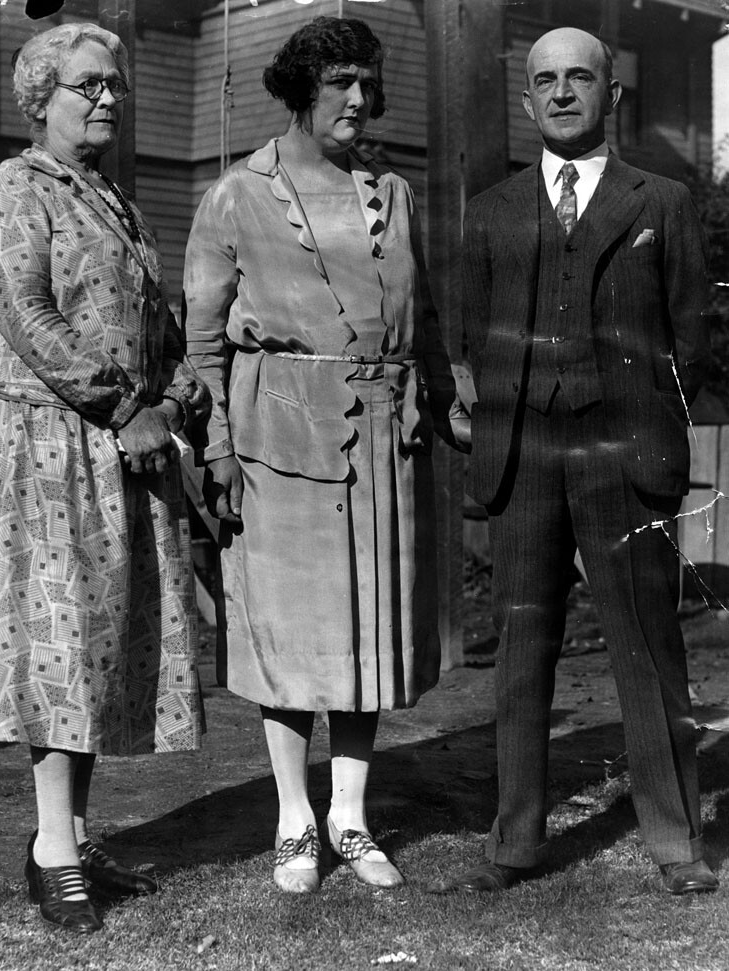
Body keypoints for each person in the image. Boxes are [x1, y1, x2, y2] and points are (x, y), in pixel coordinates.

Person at [183, 16, 469, 895]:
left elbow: (427, 319)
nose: (359, 99)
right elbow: (202, 343)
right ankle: (293, 821)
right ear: (301, 89)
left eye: (367, 83)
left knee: (364, 629)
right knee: (288, 634)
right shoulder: (238, 195)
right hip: (278, 440)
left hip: (386, 437)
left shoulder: (394, 190)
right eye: (341, 82)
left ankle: (349, 814)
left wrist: (445, 405)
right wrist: (220, 451)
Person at [441, 26, 717, 896]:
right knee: (525, 647)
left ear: (611, 96)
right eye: (546, 81)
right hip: (523, 455)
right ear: (528, 101)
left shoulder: (660, 201)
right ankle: (516, 838)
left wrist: (651, 430)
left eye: (580, 79)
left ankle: (676, 841)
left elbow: (692, 338)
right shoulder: (488, 211)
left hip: (623, 455)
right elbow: (466, 336)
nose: (563, 93)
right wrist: (484, 422)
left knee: (647, 644)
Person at [0, 23, 211, 933]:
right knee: (58, 648)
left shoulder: (114, 199)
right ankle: (51, 851)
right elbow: (25, 311)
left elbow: (156, 327)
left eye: (113, 85)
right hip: (49, 446)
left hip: (120, 445)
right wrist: (122, 405)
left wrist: (179, 393)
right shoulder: (19, 188)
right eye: (86, 86)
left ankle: (67, 831)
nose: (107, 98)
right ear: (41, 98)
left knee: (99, 644)